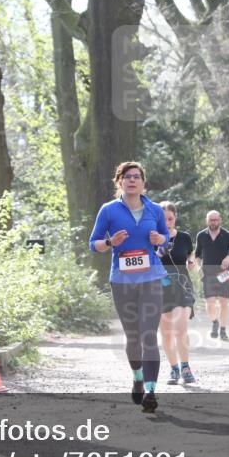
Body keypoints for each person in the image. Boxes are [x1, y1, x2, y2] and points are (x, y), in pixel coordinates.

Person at [89, 162, 169, 413]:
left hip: (151, 278)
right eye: (127, 177)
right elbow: (94, 244)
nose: (132, 180)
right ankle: (137, 378)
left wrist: (160, 240)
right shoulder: (109, 210)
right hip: (123, 281)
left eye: (137, 177)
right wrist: (111, 242)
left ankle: (152, 390)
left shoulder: (155, 210)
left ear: (143, 183)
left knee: (148, 335)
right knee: (133, 336)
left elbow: (166, 241)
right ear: (120, 182)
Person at [156, 202, 196, 385]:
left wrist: (191, 261)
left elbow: (189, 254)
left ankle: (186, 368)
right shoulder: (151, 238)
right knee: (166, 333)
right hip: (160, 288)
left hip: (182, 286)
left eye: (170, 219)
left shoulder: (184, 237)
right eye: (163, 220)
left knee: (180, 329)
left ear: (175, 218)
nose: (167, 222)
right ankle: (174, 369)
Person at [194, 210, 229, 341]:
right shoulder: (201, 235)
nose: (213, 222)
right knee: (209, 304)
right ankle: (215, 321)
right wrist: (198, 266)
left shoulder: (227, 235)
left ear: (220, 220)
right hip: (207, 274)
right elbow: (197, 254)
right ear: (206, 220)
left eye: (215, 219)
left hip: (223, 274)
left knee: (224, 303)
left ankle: (223, 330)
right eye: (211, 220)